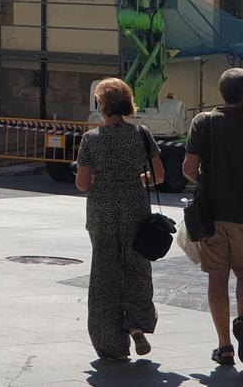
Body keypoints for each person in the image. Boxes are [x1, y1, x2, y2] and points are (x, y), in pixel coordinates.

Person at [182, 68, 243, 367]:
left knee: (217, 277)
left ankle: (224, 346)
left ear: (222, 93)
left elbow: (188, 168)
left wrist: (206, 181)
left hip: (212, 215)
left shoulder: (203, 123)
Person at [74, 78, 165, 361]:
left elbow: (82, 184)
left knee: (105, 271)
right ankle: (137, 324)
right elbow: (159, 176)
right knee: (136, 265)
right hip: (135, 207)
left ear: (101, 104)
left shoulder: (91, 139)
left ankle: (110, 342)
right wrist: (136, 178)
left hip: (102, 210)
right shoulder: (141, 133)